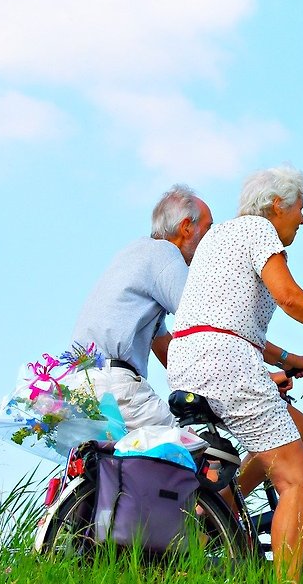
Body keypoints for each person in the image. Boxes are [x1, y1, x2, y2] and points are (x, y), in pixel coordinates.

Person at [166, 164, 303, 584]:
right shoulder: (259, 230)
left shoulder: (219, 237)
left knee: (297, 427)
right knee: (298, 478)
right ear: (277, 205)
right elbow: (288, 296)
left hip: (190, 359)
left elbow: (220, 317)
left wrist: (284, 358)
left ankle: (220, 514)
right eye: (300, 208)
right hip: (224, 361)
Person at [68, 185, 213, 432]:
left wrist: (209, 386)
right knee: (193, 453)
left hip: (80, 386)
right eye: (208, 229)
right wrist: (253, 379)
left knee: (121, 466)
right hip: (115, 387)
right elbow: (208, 322)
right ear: (186, 226)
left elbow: (164, 345)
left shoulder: (135, 253)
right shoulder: (165, 254)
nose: (211, 240)